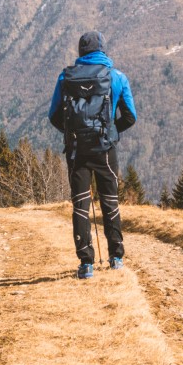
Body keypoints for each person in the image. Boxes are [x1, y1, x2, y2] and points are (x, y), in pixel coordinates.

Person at [48, 31, 137, 279]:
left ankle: (86, 264)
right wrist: (110, 132)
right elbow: (131, 116)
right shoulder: (117, 77)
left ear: (81, 52)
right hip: (105, 150)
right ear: (103, 50)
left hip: (77, 152)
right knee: (110, 202)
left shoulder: (66, 77)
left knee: (81, 206)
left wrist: (74, 134)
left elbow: (54, 115)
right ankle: (116, 258)